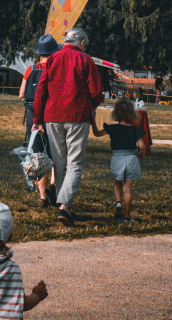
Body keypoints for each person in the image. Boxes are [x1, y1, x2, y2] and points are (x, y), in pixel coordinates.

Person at [32, 28, 104, 227]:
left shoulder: (53, 59)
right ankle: (64, 205)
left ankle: (62, 204)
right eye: (85, 44)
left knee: (59, 162)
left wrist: (37, 119)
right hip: (77, 115)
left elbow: (41, 90)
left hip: (52, 116)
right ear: (80, 42)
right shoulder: (86, 60)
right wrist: (94, 104)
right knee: (75, 164)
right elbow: (96, 91)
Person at [19, 34, 61, 208]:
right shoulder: (56, 69)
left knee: (38, 155)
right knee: (56, 154)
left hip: (32, 116)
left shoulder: (30, 70)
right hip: (51, 115)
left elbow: (22, 95)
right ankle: (53, 185)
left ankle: (43, 196)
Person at [90, 98, 145, 222]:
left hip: (117, 157)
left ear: (116, 113)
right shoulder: (134, 130)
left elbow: (97, 133)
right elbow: (141, 145)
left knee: (117, 185)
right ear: (132, 114)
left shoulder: (112, 128)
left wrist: (93, 121)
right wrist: (142, 153)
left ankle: (118, 202)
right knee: (128, 190)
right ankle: (126, 216)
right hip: (131, 158)